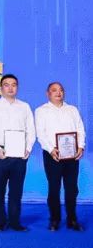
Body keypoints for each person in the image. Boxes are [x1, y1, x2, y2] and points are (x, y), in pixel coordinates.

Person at [0, 74, 35, 232]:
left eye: (14, 85)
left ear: (17, 87)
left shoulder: (24, 107)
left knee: (16, 190)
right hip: (0, 153)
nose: (10, 88)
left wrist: (28, 148)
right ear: (1, 88)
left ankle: (15, 221)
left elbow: (31, 130)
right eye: (7, 85)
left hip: (20, 154)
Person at [35, 82, 86, 231]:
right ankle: (54, 219)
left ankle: (72, 219)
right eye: (54, 90)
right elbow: (41, 134)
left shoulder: (72, 110)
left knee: (72, 188)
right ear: (48, 94)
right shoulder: (41, 111)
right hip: (52, 155)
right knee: (54, 188)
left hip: (72, 155)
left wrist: (81, 146)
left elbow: (80, 129)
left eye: (61, 90)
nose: (58, 93)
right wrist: (51, 149)